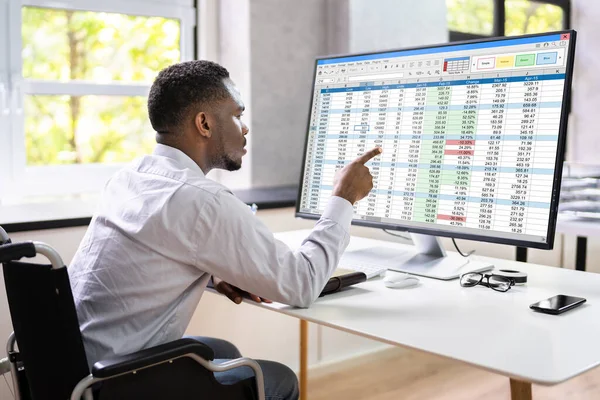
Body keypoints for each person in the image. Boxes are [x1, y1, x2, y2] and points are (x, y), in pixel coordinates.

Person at [68, 60, 381, 400]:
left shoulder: (129, 178)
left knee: (223, 350)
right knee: (277, 378)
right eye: (236, 114)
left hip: (73, 368)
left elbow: (150, 255)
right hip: (119, 383)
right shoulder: (201, 200)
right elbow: (302, 283)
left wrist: (215, 268)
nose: (244, 128)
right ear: (203, 123)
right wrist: (344, 197)